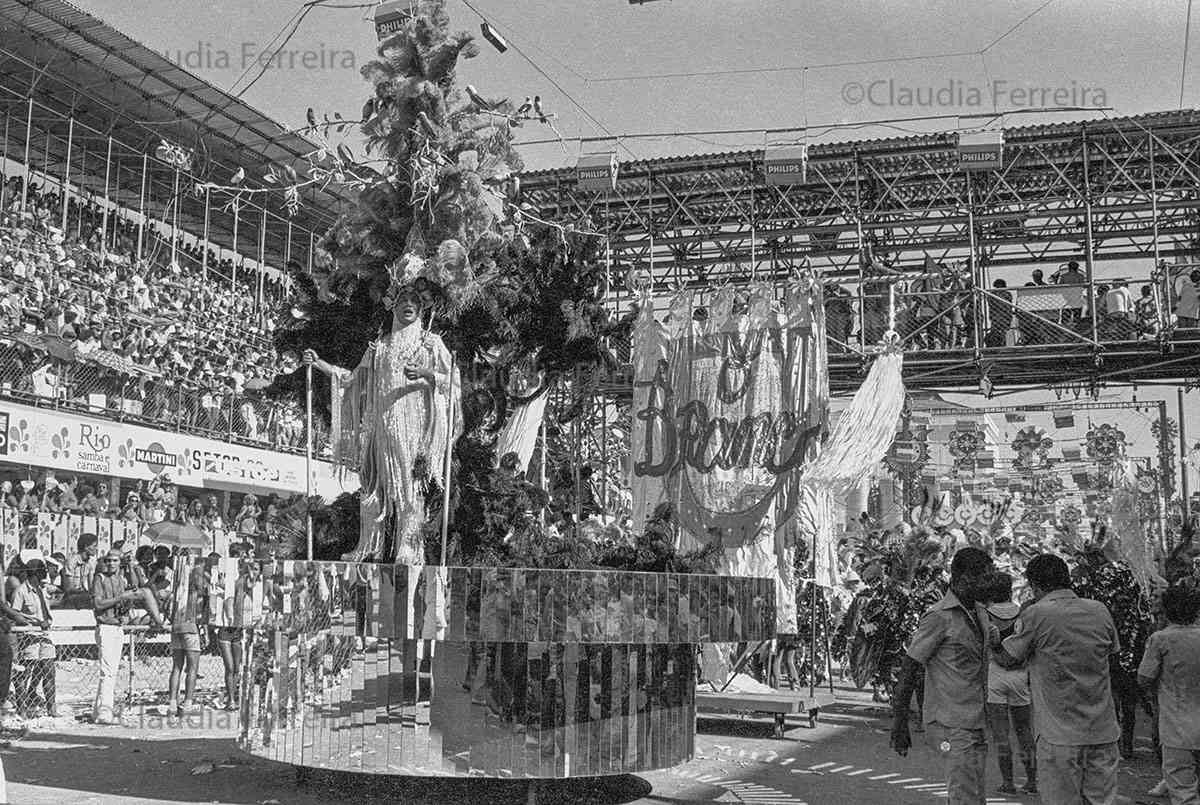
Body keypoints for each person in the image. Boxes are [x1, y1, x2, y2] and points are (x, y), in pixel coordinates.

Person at [303, 275, 458, 563]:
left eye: (413, 301)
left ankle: (409, 547)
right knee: (372, 488)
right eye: (402, 301)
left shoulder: (431, 343)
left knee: (411, 489)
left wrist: (426, 376)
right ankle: (369, 545)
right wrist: (320, 364)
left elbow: (454, 382)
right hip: (381, 429)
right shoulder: (380, 347)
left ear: (422, 308)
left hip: (415, 431)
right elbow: (352, 379)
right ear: (393, 307)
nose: (407, 306)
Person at [993, 554, 1121, 805]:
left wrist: (992, 642)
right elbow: (1113, 660)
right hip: (1102, 730)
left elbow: (1008, 659)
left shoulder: (1037, 613)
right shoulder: (1099, 610)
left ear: (1035, 586)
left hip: (1059, 735)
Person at [890, 547, 996, 805]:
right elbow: (910, 668)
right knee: (965, 797)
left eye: (988, 576)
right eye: (981, 577)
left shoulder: (980, 613)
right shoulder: (938, 617)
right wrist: (900, 722)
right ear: (960, 578)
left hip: (977, 721)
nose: (987, 583)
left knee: (971, 796)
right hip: (951, 724)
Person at [1137, 586, 1200, 805]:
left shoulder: (1160, 639)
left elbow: (1144, 678)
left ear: (1166, 609)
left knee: (1184, 793)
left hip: (1177, 727)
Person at [981, 572, 1036, 796]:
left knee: (1001, 734)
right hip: (1020, 675)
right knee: (1024, 731)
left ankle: (1008, 783)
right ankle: (1032, 782)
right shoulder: (1024, 612)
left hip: (996, 675)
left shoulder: (985, 614)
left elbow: (985, 646)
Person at [10, 558, 55, 717]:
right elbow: (15, 614)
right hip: (29, 636)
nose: (46, 572)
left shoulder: (42, 589)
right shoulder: (21, 591)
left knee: (49, 671)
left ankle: (52, 709)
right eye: (43, 569)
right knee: (26, 673)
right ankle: (21, 708)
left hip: (45, 635)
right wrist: (34, 622)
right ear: (36, 572)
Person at [167, 559, 205, 717]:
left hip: (176, 626)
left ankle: (172, 703)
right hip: (191, 627)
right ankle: (188, 702)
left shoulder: (177, 592)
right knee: (192, 668)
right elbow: (202, 615)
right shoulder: (197, 594)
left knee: (176, 667)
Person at [62, 532, 99, 608]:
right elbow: (68, 588)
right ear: (86, 547)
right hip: (71, 599)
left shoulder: (90, 562)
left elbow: (91, 585)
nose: (96, 549)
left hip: (83, 597)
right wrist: (86, 594)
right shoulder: (72, 561)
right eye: (94, 546)